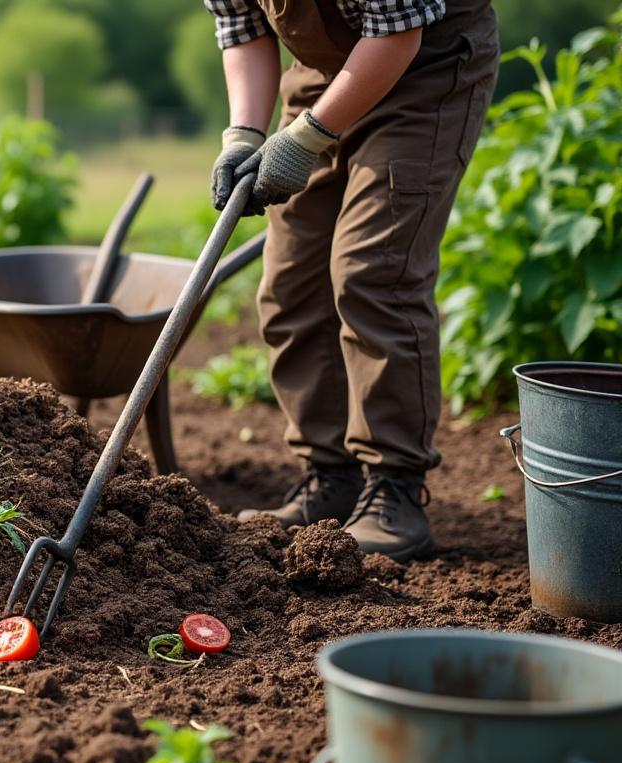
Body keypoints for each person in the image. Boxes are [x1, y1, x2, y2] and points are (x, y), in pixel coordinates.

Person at [203, 0, 498, 561]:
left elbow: (395, 36)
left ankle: (395, 490)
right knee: (293, 281)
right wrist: (243, 134)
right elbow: (242, 28)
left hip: (426, 71)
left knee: (373, 272)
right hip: (321, 75)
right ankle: (330, 477)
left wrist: (304, 139)